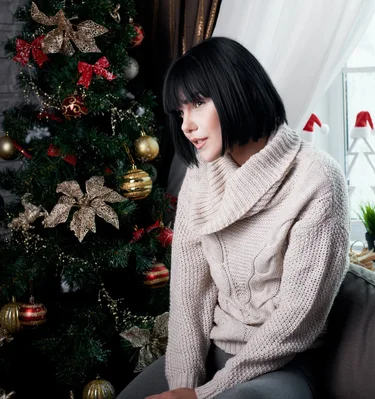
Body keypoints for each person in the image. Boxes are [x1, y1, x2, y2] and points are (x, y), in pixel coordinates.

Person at [116, 37, 350, 399]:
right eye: (180, 113)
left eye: (197, 104)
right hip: (214, 354)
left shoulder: (317, 178)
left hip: (284, 365)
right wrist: (182, 385)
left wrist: (202, 396)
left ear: (238, 91)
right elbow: (189, 298)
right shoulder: (201, 176)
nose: (186, 125)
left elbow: (297, 321)